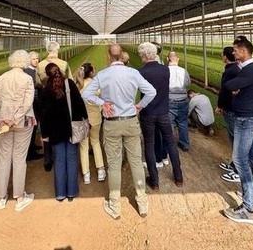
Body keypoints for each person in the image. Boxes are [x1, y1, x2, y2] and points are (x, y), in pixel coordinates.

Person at [82, 44, 156, 220]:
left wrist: (102, 103)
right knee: (136, 162)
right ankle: (142, 203)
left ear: (108, 57)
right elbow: (151, 92)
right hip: (131, 121)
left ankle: (115, 206)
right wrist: (140, 105)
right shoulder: (133, 73)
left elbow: (86, 94)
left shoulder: (103, 74)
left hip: (112, 123)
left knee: (114, 165)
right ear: (122, 56)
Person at [222, 37, 253, 226]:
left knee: (240, 159)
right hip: (249, 117)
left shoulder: (249, 70)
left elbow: (228, 85)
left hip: (246, 120)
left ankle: (249, 209)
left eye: (235, 50)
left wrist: (234, 88)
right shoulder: (250, 69)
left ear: (243, 51)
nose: (233, 53)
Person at [0, 50, 36, 212]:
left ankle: (2, 197)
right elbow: (27, 103)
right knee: (19, 158)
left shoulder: (2, 78)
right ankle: (19, 197)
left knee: (4, 157)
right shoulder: (27, 78)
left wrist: (0, 119)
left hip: (4, 123)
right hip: (22, 122)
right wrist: (15, 119)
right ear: (25, 62)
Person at [137, 42, 183, 191]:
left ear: (145, 55)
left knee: (149, 144)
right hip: (163, 112)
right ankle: (178, 177)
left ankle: (154, 181)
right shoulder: (165, 69)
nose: (140, 57)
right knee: (170, 142)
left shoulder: (141, 72)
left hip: (148, 113)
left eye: (141, 55)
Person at [41, 63, 88, 201]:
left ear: (47, 75)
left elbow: (44, 115)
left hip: (55, 131)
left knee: (59, 160)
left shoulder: (46, 90)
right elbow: (80, 103)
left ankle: (60, 193)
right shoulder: (69, 84)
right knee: (72, 159)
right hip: (71, 128)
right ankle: (71, 192)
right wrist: (85, 119)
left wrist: (45, 134)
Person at [36, 41, 72, 171]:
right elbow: (70, 81)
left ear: (47, 50)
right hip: (61, 98)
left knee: (45, 127)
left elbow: (37, 84)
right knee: (60, 125)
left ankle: (47, 159)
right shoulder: (64, 64)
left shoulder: (39, 65)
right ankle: (60, 155)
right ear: (58, 50)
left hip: (45, 99)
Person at [74, 63, 106, 184]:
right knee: (96, 142)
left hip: (82, 120)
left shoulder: (78, 86)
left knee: (83, 146)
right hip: (95, 118)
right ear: (91, 72)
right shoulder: (95, 85)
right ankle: (100, 170)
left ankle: (86, 174)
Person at [217, 46, 241, 183]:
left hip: (231, 108)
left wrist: (220, 105)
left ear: (225, 56)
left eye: (222, 55)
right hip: (232, 107)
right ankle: (234, 164)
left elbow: (225, 90)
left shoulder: (231, 71)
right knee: (234, 137)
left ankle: (238, 170)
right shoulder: (234, 69)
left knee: (235, 138)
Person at [167, 51, 191, 151]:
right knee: (183, 123)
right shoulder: (184, 71)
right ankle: (184, 144)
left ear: (168, 59)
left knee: (169, 123)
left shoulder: (165, 70)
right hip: (183, 100)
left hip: (169, 100)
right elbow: (188, 83)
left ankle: (170, 145)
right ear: (178, 59)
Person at [24, 51, 44, 161]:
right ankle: (30, 152)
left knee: (35, 126)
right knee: (32, 126)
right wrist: (38, 85)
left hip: (36, 102)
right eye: (34, 59)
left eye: (37, 59)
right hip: (32, 103)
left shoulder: (34, 70)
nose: (36, 61)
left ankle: (32, 146)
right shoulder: (28, 72)